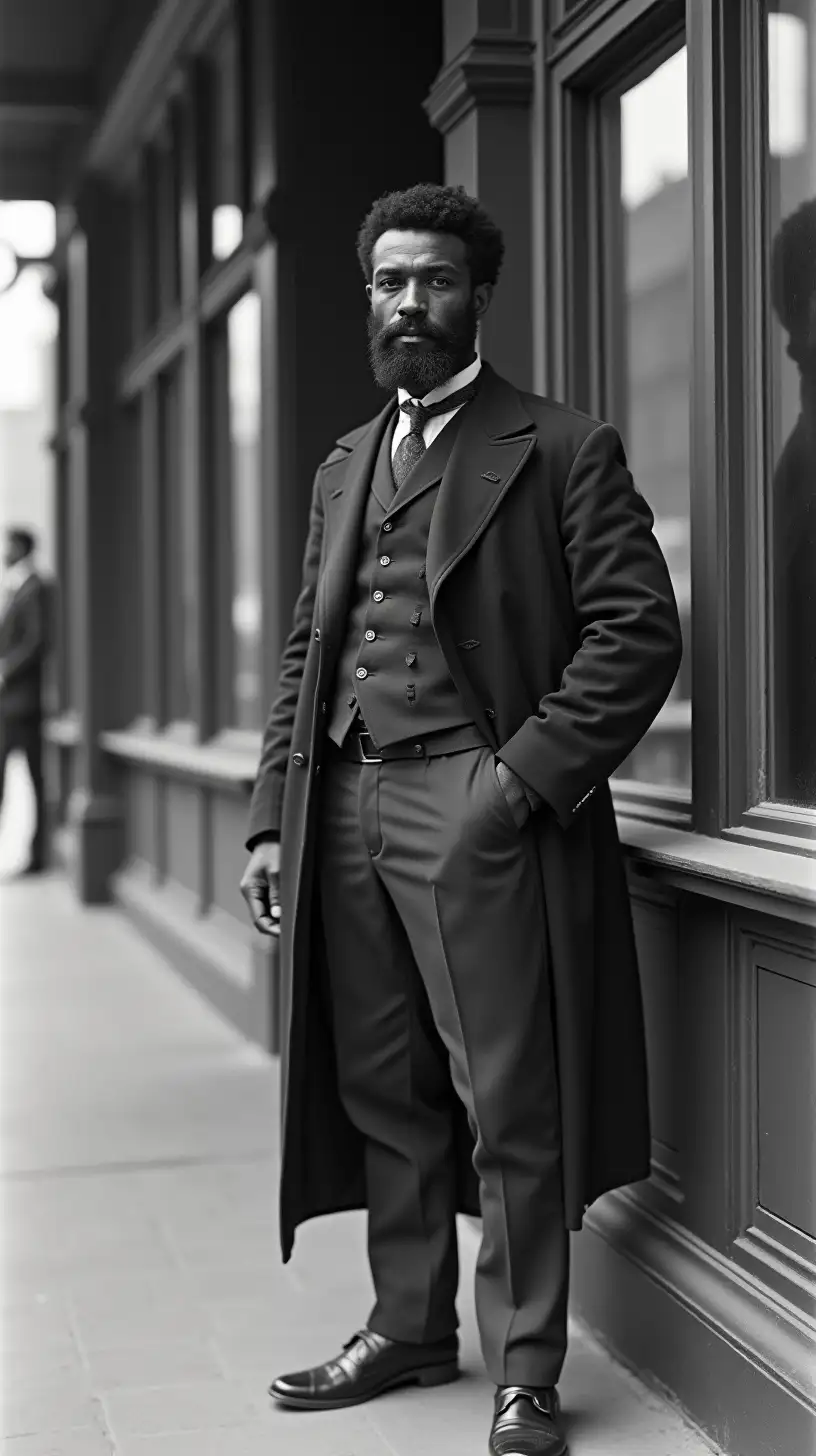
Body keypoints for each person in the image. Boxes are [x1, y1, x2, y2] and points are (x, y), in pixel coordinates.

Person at [240, 183, 682, 1456]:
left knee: (508, 1097)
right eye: (390, 283)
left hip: (474, 800)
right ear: (367, 297)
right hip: (345, 803)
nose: (409, 304)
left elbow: (639, 634)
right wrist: (276, 810)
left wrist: (518, 782)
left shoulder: (558, 445)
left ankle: (526, 1370)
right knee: (385, 1082)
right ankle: (408, 1324)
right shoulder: (342, 464)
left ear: (477, 295)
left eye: (433, 281)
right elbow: (302, 657)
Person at [0, 527, 51, 876]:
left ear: (22, 547)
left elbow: (35, 641)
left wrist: (5, 671)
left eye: (9, 545)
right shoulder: (19, 588)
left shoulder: (34, 589)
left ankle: (38, 855)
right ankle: (36, 854)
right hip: (13, 703)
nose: (5, 551)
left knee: (34, 776)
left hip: (22, 703)